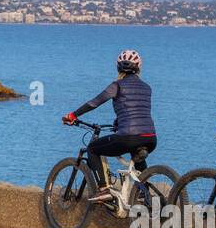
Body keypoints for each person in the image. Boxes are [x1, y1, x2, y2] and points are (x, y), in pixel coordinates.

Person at [61, 49, 156, 195]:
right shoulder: (147, 88)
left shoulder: (117, 85)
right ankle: (146, 194)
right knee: (137, 152)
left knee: (92, 148)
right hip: (150, 137)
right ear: (138, 68)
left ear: (118, 67)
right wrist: (118, 122)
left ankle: (103, 189)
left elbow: (94, 103)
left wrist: (73, 115)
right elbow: (136, 111)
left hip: (128, 136)